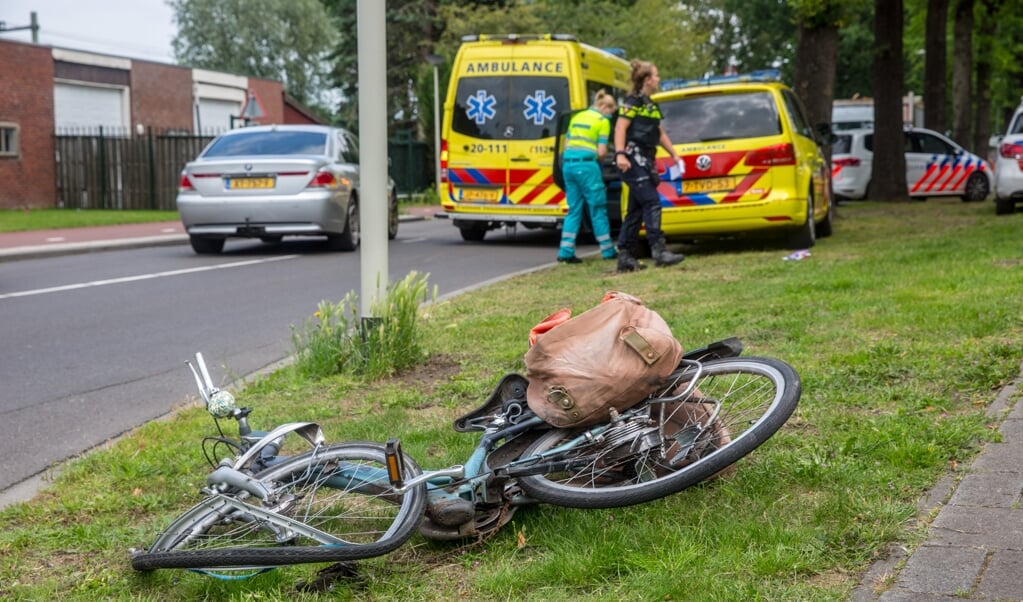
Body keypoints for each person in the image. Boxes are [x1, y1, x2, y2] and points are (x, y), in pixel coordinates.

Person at [613, 59, 686, 272]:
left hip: (646, 160)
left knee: (636, 210)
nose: (658, 79)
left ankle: (625, 256)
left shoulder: (652, 106)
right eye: (656, 75)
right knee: (652, 202)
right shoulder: (632, 102)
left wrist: (674, 154)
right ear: (647, 79)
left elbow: (660, 133)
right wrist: (619, 154)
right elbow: (620, 128)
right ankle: (659, 250)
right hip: (632, 159)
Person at [556, 90, 619, 263]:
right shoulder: (602, 121)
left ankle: (565, 252)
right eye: (611, 112)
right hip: (587, 166)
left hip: (568, 165)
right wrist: (600, 161)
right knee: (597, 207)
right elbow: (601, 151)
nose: (610, 116)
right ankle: (608, 251)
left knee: (574, 209)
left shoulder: (577, 117)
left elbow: (567, 144)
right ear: (605, 107)